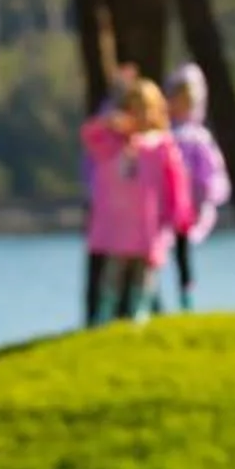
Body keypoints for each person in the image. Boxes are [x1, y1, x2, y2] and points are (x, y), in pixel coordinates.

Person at [82, 72, 194, 325]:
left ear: (156, 111)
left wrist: (178, 215)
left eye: (145, 108)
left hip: (149, 225)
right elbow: (90, 136)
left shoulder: (160, 146)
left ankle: (138, 315)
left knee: (144, 275)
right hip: (120, 225)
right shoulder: (116, 144)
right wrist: (109, 121)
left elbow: (176, 184)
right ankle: (104, 316)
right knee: (113, 273)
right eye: (134, 109)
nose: (140, 115)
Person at [165, 63, 231, 311]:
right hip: (162, 207)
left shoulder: (197, 138)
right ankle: (149, 301)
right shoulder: (165, 135)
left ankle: (186, 298)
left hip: (183, 209)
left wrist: (203, 196)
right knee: (155, 254)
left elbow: (209, 174)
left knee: (182, 255)